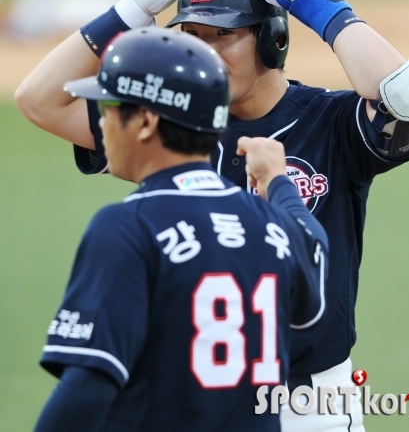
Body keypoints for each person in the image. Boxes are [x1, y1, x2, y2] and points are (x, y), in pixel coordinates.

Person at [16, 0, 409, 430]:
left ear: (269, 39)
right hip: (195, 400)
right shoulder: (174, 128)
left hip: (310, 403)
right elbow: (40, 101)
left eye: (222, 34)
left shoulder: (329, 122)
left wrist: (318, 3)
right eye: (193, 35)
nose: (205, 51)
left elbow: (407, 97)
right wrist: (128, 12)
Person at [32, 27, 328, 432]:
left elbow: (86, 389)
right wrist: (278, 182)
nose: (100, 124)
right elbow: (313, 251)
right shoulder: (269, 223)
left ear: (146, 122)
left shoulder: (127, 226)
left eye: (110, 107)